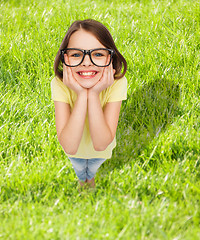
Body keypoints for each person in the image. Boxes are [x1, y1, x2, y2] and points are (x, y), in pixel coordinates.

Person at [51, 19, 127, 188]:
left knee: (93, 175)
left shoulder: (117, 83)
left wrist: (93, 94)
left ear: (110, 57)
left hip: (102, 155)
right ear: (65, 58)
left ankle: (89, 184)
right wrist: (81, 94)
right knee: (80, 174)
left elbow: (101, 144)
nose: (86, 62)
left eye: (98, 54)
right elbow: (70, 147)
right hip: (75, 154)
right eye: (76, 54)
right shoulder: (59, 83)